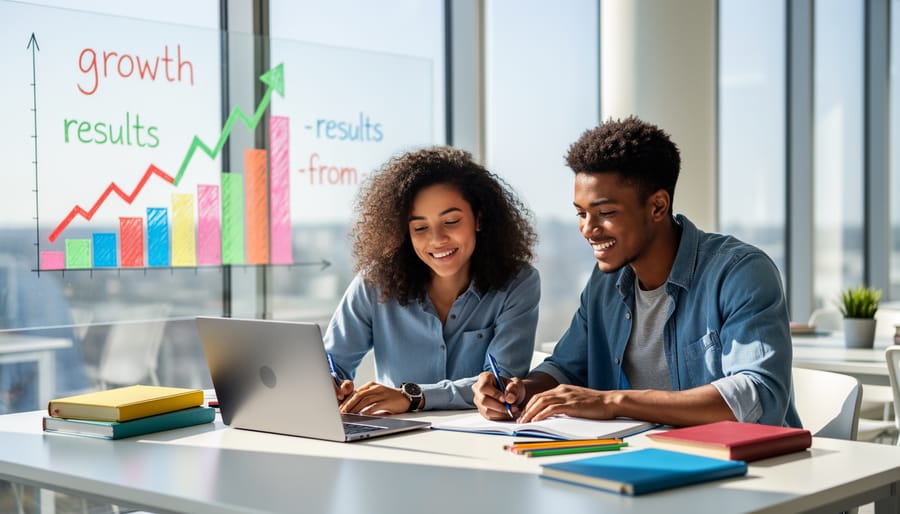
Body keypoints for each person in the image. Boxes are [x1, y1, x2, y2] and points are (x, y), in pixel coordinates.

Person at [472, 116, 801, 428]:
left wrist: (614, 402)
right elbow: (565, 367)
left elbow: (758, 394)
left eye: (605, 213)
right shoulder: (605, 283)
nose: (588, 229)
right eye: (581, 214)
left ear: (658, 206)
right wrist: (522, 392)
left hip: (749, 472)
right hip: (644, 460)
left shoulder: (740, 273)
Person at [325, 146, 540, 414]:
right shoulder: (374, 282)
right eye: (420, 228)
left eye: (451, 221)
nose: (437, 239)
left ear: (479, 219)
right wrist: (330, 385)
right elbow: (331, 362)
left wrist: (413, 397)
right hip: (397, 440)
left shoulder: (518, 283)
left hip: (480, 443)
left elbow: (500, 386)